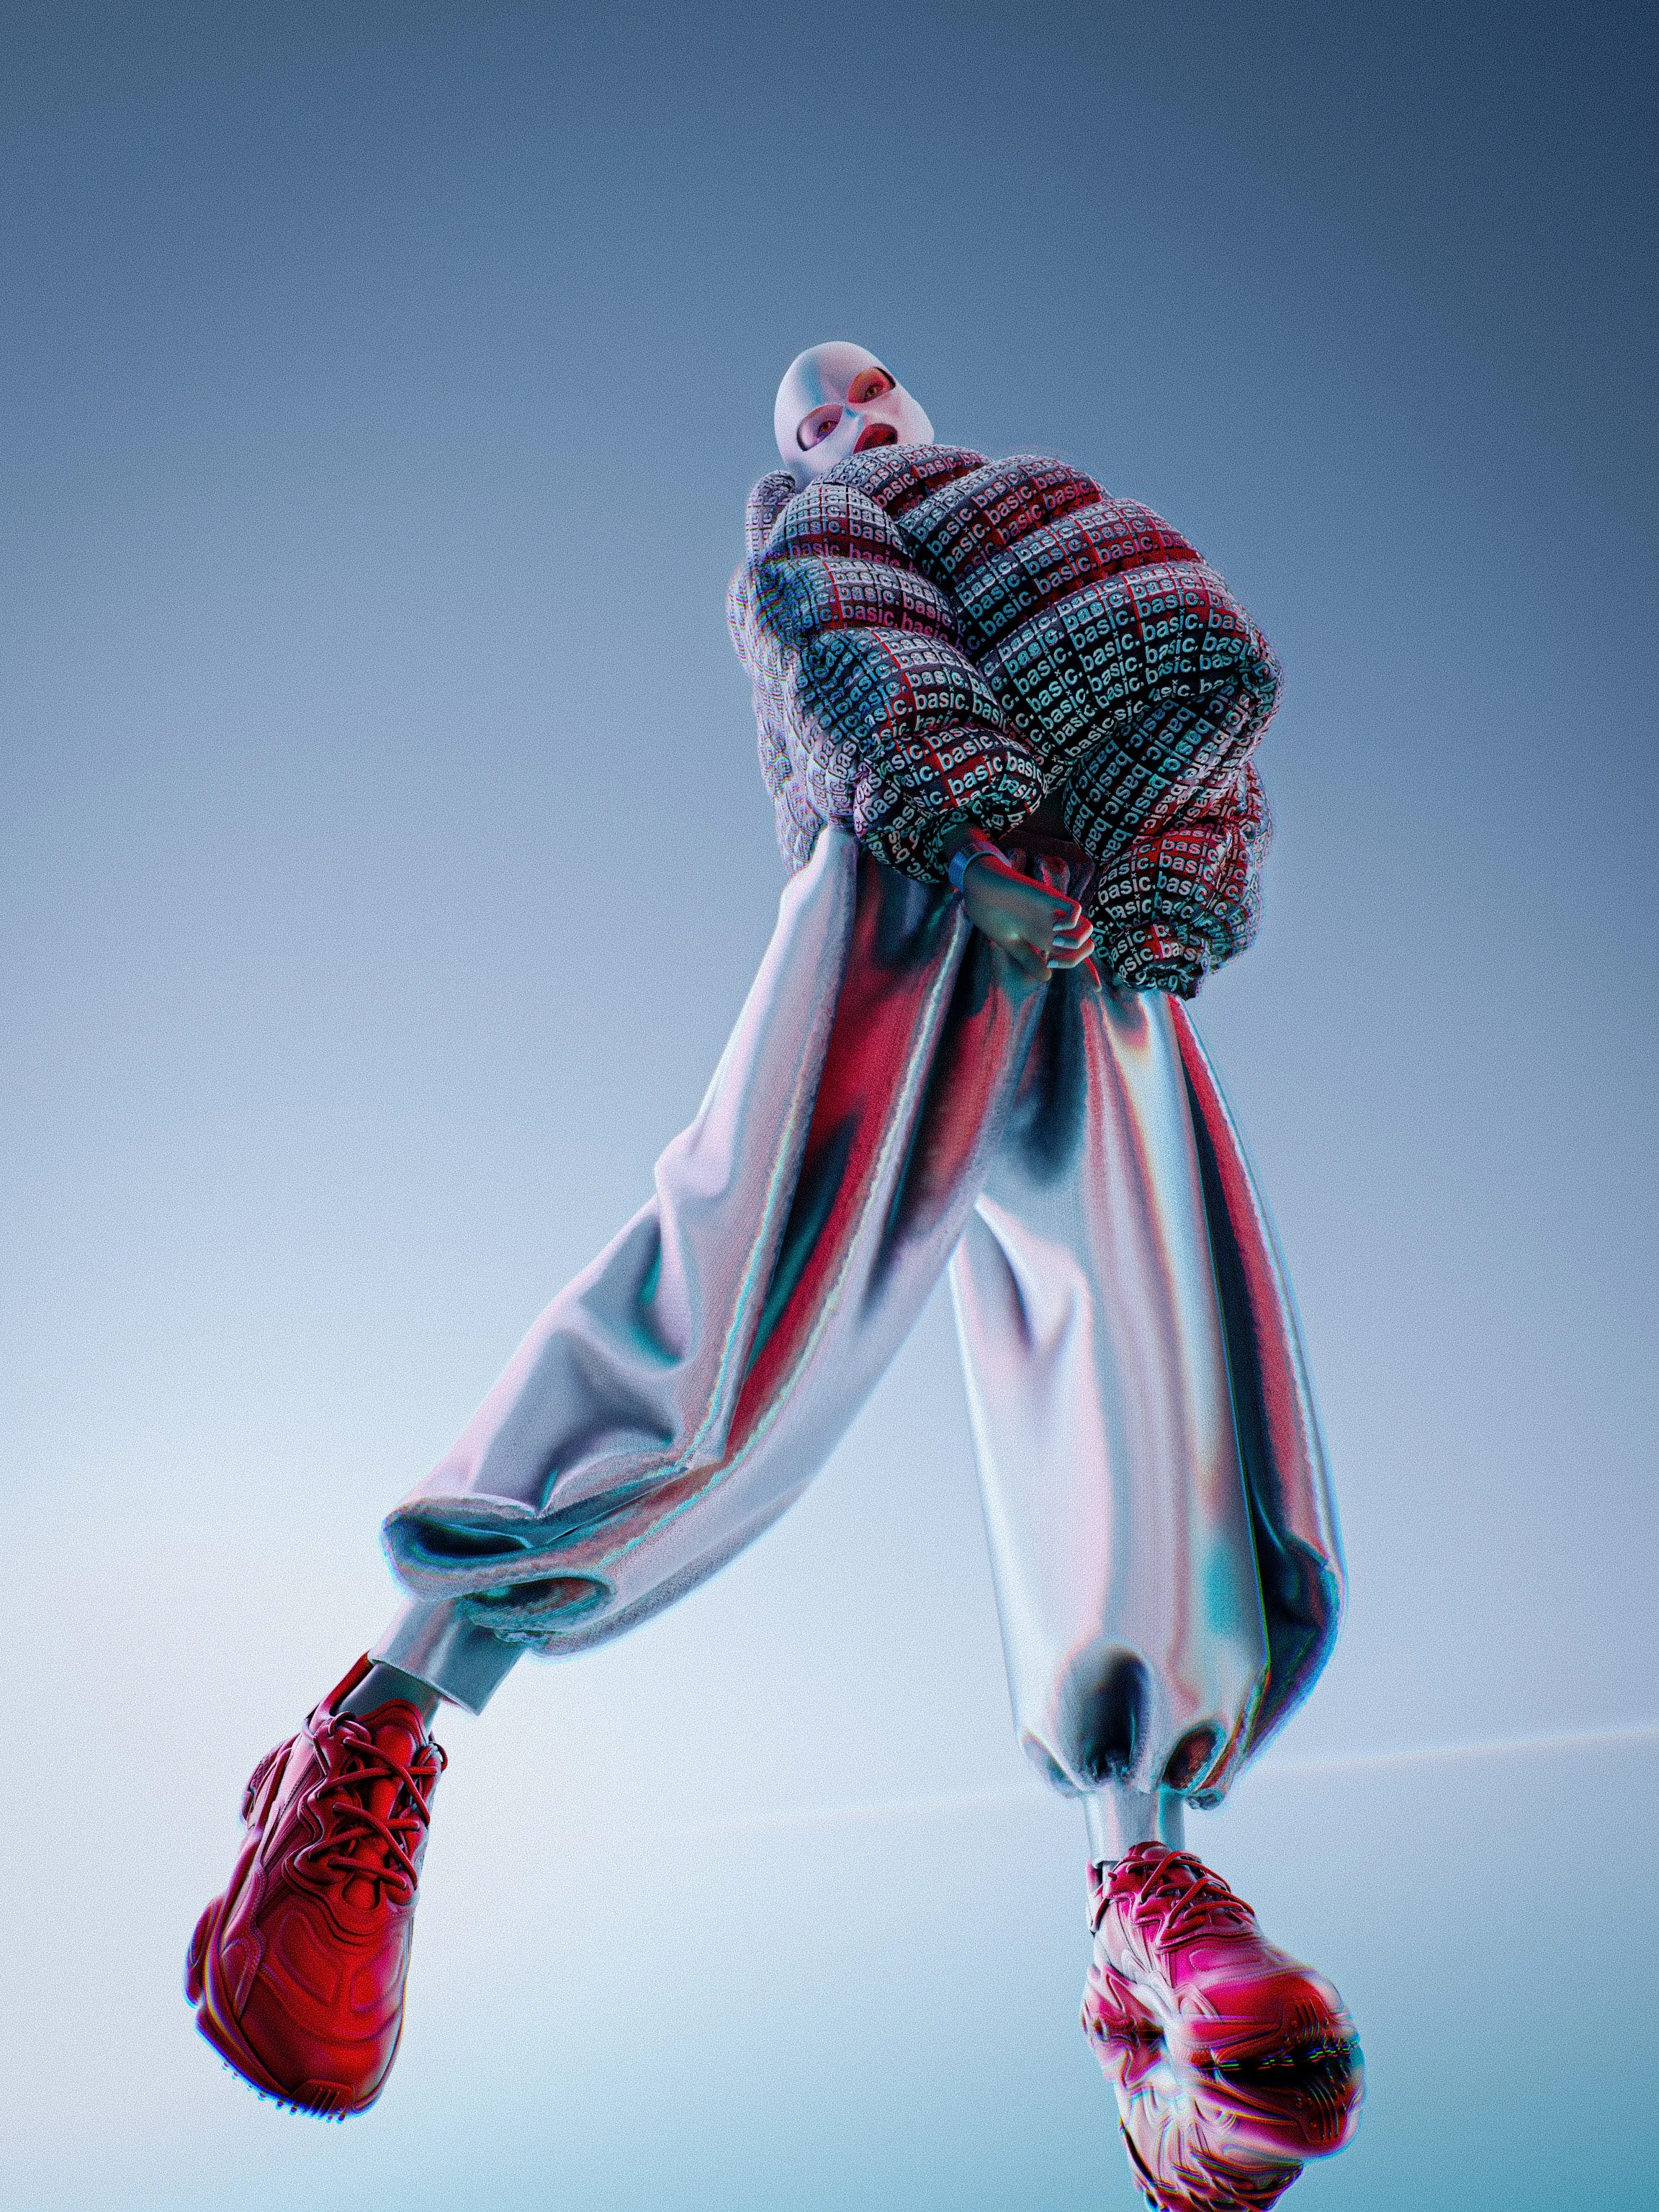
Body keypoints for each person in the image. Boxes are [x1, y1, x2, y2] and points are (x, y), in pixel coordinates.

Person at [186, 343, 1362, 2211]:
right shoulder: (830, 530)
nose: (841, 421)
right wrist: (956, 807)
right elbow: (844, 637)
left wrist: (1156, 878)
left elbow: (1178, 660)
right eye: (809, 410)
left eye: (864, 395)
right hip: (913, 861)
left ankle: (1143, 1882)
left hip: (1087, 896)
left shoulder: (1032, 497)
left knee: (1158, 1348)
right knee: (760, 1267)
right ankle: (376, 1729)